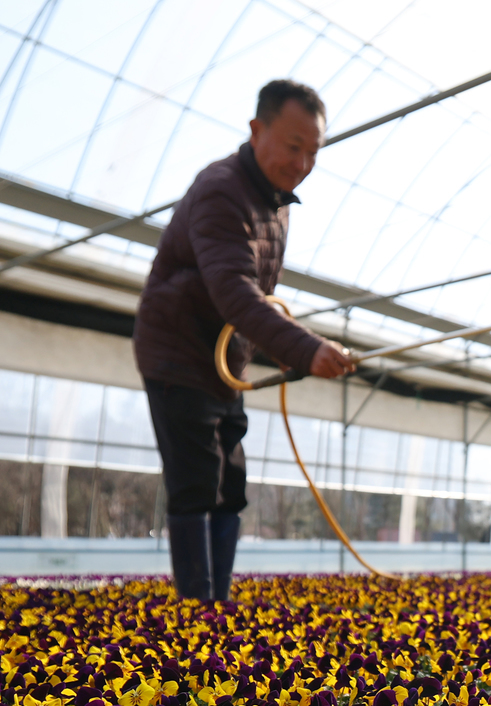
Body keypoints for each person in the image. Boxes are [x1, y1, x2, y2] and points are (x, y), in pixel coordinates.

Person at [134, 80, 355, 603]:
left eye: (313, 152)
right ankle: (198, 607)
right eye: (293, 145)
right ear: (257, 131)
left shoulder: (274, 202)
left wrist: (289, 351)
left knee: (230, 484)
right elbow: (235, 292)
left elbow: (255, 297)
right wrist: (304, 349)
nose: (302, 162)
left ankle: (218, 600)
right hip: (178, 354)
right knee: (196, 480)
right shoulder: (221, 189)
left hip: (226, 363)